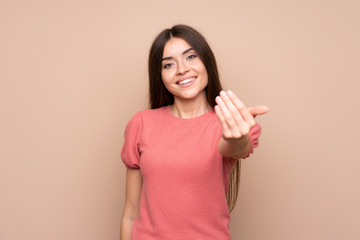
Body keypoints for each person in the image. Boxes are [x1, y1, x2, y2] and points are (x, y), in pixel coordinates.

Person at [120, 24, 269, 240]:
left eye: (190, 57)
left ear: (206, 62)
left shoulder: (228, 124)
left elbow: (236, 146)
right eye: (169, 64)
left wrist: (236, 137)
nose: (182, 69)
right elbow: (130, 215)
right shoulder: (141, 124)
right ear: (159, 75)